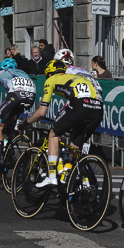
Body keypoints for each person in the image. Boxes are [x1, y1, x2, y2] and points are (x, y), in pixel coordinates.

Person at [25, 59, 104, 188]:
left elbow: (41, 112)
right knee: (75, 147)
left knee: (54, 134)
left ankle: (51, 177)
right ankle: (85, 182)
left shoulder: (51, 79)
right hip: (98, 109)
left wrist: (26, 122)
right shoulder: (75, 77)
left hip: (80, 105)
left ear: (49, 74)